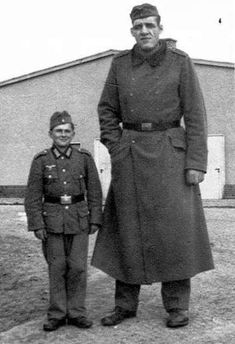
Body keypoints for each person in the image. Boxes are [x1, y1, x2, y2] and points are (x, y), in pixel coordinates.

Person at [91, 3, 214, 328]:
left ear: (159, 28)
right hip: (129, 155)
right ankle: (125, 305)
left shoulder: (180, 62)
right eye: (138, 26)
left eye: (149, 25)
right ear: (132, 30)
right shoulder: (119, 65)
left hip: (171, 157)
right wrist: (116, 146)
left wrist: (196, 162)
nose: (144, 31)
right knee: (125, 229)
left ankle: (177, 307)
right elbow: (106, 109)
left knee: (175, 232)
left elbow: (196, 115)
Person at [25, 111, 102, 331]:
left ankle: (77, 312)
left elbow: (95, 191)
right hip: (52, 221)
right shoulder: (41, 160)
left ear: (73, 133)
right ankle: (57, 313)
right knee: (56, 267)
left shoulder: (84, 158)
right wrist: (37, 224)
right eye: (58, 131)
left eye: (67, 131)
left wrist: (95, 219)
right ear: (51, 133)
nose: (63, 135)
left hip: (79, 220)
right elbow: (32, 195)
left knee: (77, 267)